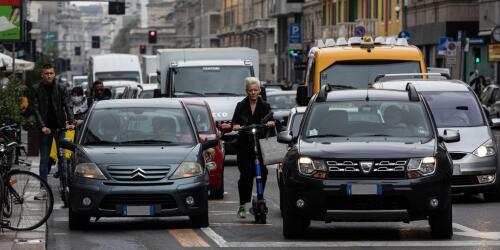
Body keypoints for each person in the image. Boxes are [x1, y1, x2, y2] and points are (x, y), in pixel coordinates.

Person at [231, 77, 275, 219]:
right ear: (246, 91)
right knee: (246, 176)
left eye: (256, 90)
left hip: (261, 144)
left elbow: (272, 121)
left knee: (263, 172)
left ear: (259, 90)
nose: (253, 93)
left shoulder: (265, 106)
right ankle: (243, 204)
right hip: (245, 145)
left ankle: (260, 195)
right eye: (250, 90)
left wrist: (271, 123)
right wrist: (237, 126)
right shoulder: (240, 105)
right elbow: (234, 124)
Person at [31, 64, 74, 199]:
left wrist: (71, 122)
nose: (49, 75)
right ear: (42, 75)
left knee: (63, 158)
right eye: (46, 73)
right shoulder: (36, 89)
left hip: (60, 127)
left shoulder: (61, 88)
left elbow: (68, 105)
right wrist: (43, 126)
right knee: (44, 160)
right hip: (45, 130)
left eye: (51, 73)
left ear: (54, 74)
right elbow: (36, 109)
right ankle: (43, 189)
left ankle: (67, 186)